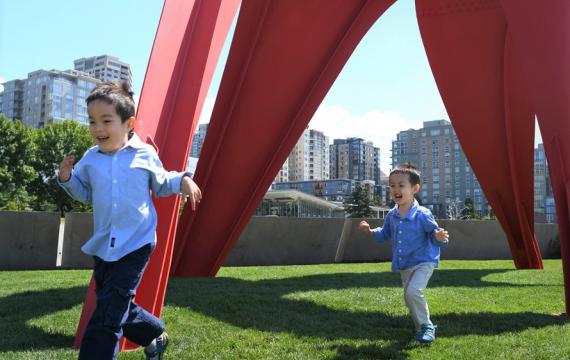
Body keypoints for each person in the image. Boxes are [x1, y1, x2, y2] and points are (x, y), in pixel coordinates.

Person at [58, 81, 202, 360]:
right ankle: (153, 335)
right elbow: (84, 193)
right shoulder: (90, 159)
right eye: (92, 121)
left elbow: (162, 183)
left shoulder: (144, 154)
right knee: (115, 303)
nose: (97, 128)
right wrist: (67, 178)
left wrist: (183, 180)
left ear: (129, 123)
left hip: (136, 243)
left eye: (106, 121)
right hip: (104, 245)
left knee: (107, 317)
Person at [358, 163, 449, 343]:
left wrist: (439, 236)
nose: (396, 189)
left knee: (413, 292)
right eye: (392, 185)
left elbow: (436, 236)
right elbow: (385, 233)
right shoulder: (392, 215)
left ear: (415, 188)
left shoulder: (422, 214)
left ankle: (427, 327)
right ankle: (420, 329)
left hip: (424, 262)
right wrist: (370, 231)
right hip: (405, 265)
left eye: (401, 185)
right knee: (409, 299)